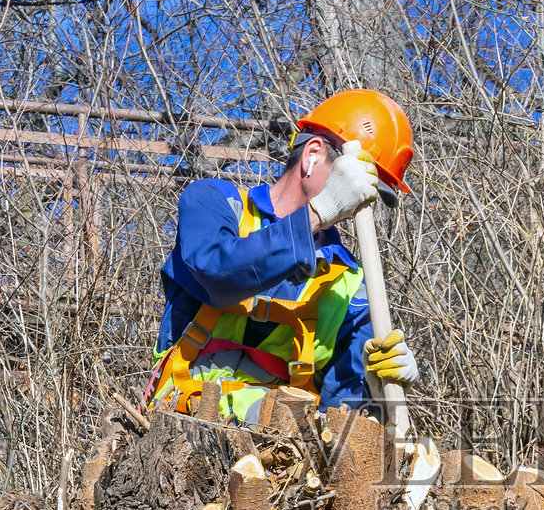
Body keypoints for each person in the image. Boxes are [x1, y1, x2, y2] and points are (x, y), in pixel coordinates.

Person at [147, 89, 420, 422]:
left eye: (371, 192)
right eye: (358, 182)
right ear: (313, 154)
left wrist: (375, 395)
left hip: (281, 454)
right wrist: (320, 212)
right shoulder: (215, 202)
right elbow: (216, 274)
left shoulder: (354, 287)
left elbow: (342, 420)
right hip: (178, 428)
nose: (360, 202)